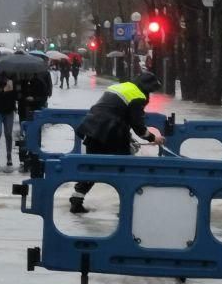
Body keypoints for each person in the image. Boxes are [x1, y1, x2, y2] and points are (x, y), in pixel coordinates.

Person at [69, 71, 166, 214]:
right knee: (126, 168)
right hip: (111, 134)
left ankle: (76, 200)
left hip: (92, 129)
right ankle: (127, 206)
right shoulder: (138, 96)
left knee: (92, 167)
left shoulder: (121, 86)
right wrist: (153, 138)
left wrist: (128, 136)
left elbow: (114, 112)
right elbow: (137, 124)